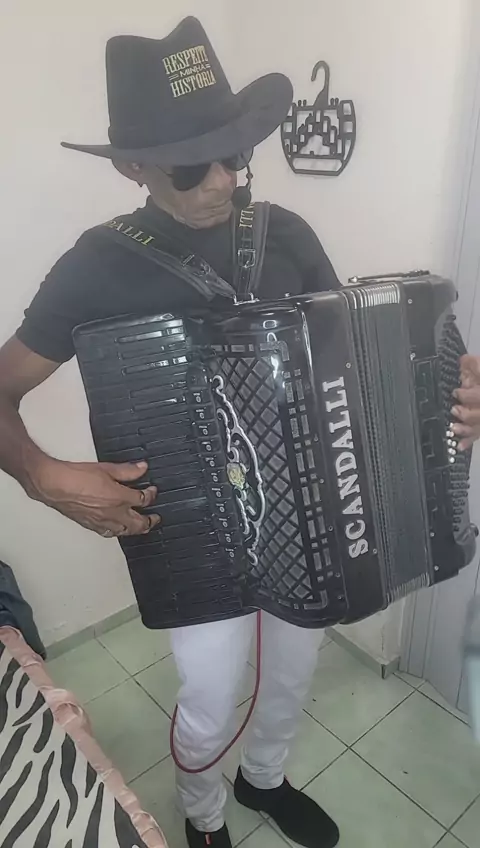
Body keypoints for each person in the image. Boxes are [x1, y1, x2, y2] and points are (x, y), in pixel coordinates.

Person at [0, 15, 479, 848]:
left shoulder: (285, 233)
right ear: (134, 167)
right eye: (195, 163)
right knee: (211, 694)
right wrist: (41, 473)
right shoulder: (94, 265)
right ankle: (203, 812)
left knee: (293, 671)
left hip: (307, 525)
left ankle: (263, 778)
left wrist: (452, 393)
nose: (225, 178)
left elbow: (357, 357)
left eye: (238, 153)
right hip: (192, 536)